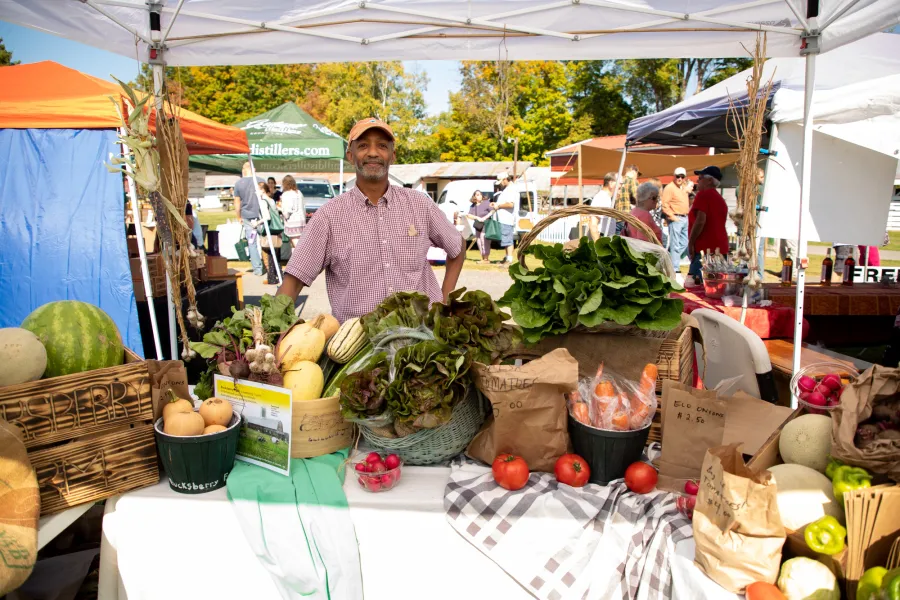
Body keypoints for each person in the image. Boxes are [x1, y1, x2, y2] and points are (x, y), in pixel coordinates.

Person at [276, 118, 465, 322]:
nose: (373, 152)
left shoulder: (420, 205)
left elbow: (457, 246)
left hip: (422, 338)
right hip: (359, 345)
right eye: (363, 145)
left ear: (392, 156)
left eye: (382, 146)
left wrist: (445, 302)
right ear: (350, 155)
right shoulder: (329, 217)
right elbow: (294, 281)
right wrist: (268, 331)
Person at [688, 166, 730, 283]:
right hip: (720, 248)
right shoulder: (720, 199)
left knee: (699, 286)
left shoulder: (703, 195)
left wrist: (691, 242)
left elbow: (701, 221)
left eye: (700, 178)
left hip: (705, 249)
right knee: (717, 286)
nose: (697, 181)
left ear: (709, 180)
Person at [233, 162, 266, 276]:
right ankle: (269, 266)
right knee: (265, 241)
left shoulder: (238, 184)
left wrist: (239, 216)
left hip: (247, 216)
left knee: (252, 243)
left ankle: (257, 269)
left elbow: (237, 202)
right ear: (254, 169)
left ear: (243, 170)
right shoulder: (261, 181)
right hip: (261, 215)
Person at [661, 167, 691, 273]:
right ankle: (675, 268)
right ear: (674, 176)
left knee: (684, 242)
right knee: (675, 244)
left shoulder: (683, 187)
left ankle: (669, 259)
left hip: (684, 217)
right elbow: (664, 204)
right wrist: (672, 217)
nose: (680, 178)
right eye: (678, 176)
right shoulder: (670, 188)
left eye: (682, 177)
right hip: (676, 217)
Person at [490, 172, 519, 265]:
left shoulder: (512, 189)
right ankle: (507, 257)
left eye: (501, 181)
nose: (501, 184)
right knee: (504, 239)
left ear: (505, 179)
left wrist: (498, 206)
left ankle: (509, 259)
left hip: (507, 218)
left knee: (508, 239)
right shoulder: (507, 189)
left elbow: (510, 204)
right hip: (503, 218)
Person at [465, 189, 493, 263]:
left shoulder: (486, 203)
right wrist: (477, 218)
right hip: (478, 225)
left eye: (480, 194)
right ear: (474, 196)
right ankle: (483, 258)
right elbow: (469, 215)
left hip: (486, 223)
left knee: (484, 239)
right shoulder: (473, 206)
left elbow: (493, 210)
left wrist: (485, 217)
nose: (479, 196)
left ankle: (486, 258)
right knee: (478, 240)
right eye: (477, 195)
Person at [589, 172, 617, 239]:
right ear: (611, 183)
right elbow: (593, 224)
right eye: (620, 183)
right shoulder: (602, 198)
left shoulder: (606, 198)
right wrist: (598, 244)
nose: (622, 186)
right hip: (602, 238)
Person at [281, 174, 306, 248]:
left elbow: (287, 211)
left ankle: (300, 258)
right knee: (297, 243)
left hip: (292, 222)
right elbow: (304, 206)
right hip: (301, 221)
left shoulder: (286, 194)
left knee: (296, 244)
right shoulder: (299, 192)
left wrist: (282, 212)